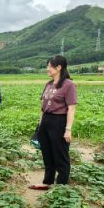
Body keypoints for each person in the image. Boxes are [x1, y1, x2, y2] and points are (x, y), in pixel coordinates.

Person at [29, 55, 77, 190]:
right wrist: (40, 125)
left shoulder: (69, 85)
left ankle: (61, 187)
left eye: (49, 66)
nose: (47, 69)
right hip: (46, 121)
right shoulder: (48, 84)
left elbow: (71, 108)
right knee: (47, 154)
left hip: (59, 122)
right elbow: (42, 107)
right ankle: (47, 182)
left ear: (59, 67)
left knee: (60, 155)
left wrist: (68, 129)